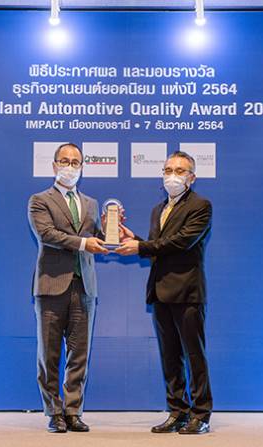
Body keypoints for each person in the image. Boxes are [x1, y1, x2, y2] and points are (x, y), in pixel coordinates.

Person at [116, 150, 213, 435]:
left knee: (194, 356)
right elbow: (158, 247)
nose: (172, 175)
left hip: (187, 292)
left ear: (192, 178)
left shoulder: (200, 205)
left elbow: (181, 242)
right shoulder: (158, 209)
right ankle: (177, 412)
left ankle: (201, 415)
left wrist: (140, 247)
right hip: (160, 292)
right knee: (170, 356)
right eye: (168, 170)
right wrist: (134, 239)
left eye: (180, 171)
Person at [28, 143, 108, 433]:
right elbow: (47, 235)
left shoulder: (91, 203)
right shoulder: (39, 200)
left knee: (79, 355)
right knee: (49, 355)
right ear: (54, 165)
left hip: (84, 287)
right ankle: (54, 412)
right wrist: (85, 242)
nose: (70, 166)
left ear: (82, 167)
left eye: (76, 162)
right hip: (51, 286)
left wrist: (111, 229)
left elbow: (98, 238)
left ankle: (73, 411)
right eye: (65, 161)